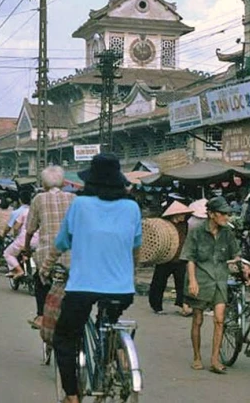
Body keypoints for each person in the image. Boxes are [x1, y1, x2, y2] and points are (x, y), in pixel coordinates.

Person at [52, 154, 141, 403]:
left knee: (65, 337)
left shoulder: (80, 205)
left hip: (82, 288)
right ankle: (115, 356)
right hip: (122, 289)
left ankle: (71, 395)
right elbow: (136, 244)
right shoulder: (132, 207)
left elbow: (62, 241)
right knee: (109, 323)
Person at [181, 196, 240, 375]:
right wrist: (192, 280)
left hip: (220, 280)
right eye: (223, 214)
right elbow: (189, 258)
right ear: (212, 214)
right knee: (197, 319)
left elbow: (236, 253)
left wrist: (236, 263)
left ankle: (215, 359)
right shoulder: (197, 232)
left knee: (220, 319)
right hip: (201, 278)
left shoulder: (228, 233)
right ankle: (197, 357)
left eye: (228, 214)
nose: (226, 218)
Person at [24, 166, 75, 329]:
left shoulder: (39, 199)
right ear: (63, 183)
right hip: (72, 253)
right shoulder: (74, 198)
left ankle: (40, 315)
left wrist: (26, 248)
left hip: (47, 252)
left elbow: (30, 229)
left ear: (44, 184)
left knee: (40, 280)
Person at [149, 200, 193, 316]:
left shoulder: (185, 225)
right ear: (175, 214)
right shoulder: (165, 225)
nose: (184, 216)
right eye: (181, 214)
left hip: (180, 259)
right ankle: (156, 306)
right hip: (165, 258)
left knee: (182, 284)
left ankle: (182, 304)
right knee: (158, 283)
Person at [2, 190, 32, 280]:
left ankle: (19, 270)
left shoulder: (20, 212)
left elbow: (15, 228)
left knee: (7, 253)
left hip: (23, 239)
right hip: (38, 240)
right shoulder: (36, 211)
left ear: (20, 200)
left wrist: (15, 235)